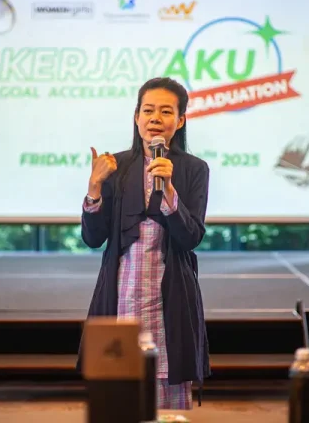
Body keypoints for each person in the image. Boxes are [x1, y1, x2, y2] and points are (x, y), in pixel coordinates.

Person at [80, 77, 211, 409]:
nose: (155, 118)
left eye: (166, 111)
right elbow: (93, 238)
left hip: (170, 298)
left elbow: (191, 237)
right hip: (120, 296)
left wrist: (168, 189)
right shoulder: (116, 166)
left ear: (180, 121)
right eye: (148, 110)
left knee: (167, 390)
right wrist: (94, 188)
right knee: (117, 393)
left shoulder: (194, 169)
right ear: (136, 117)